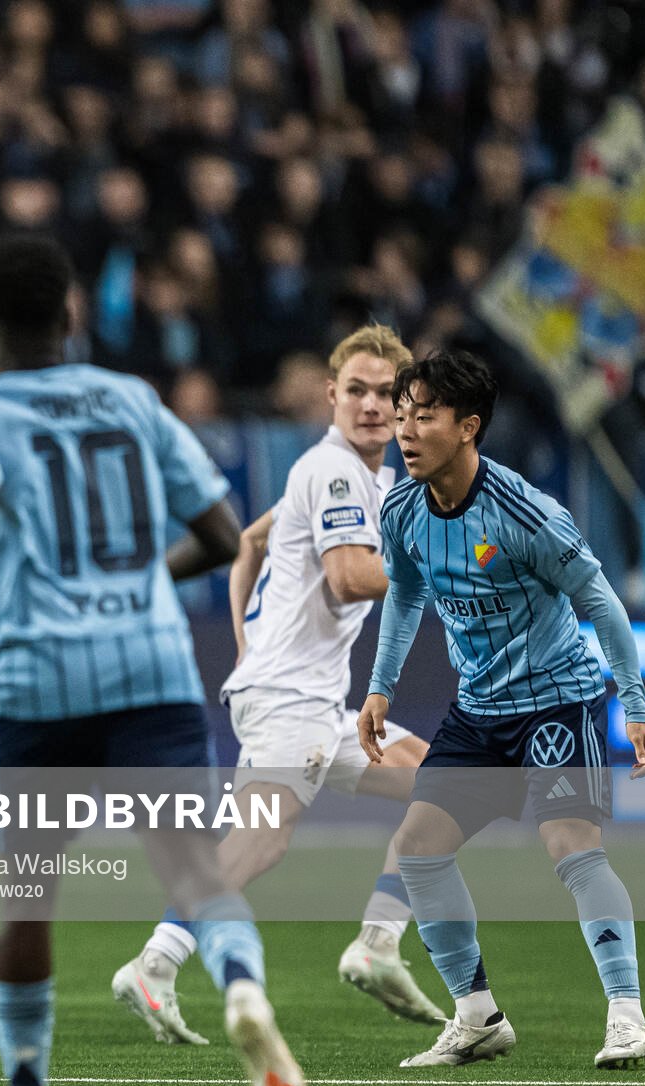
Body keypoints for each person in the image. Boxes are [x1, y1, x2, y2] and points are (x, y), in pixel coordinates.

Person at [0, 233, 308, 1086]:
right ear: (73, 312)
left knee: (26, 896)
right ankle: (242, 990)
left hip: (42, 677)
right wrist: (139, 588)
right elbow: (215, 533)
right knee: (199, 871)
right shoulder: (135, 400)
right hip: (151, 665)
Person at [110, 324, 444, 1046]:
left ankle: (380, 944)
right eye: (356, 390)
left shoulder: (374, 479)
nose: (371, 405)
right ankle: (154, 963)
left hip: (311, 700)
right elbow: (350, 577)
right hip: (291, 699)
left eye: (388, 393)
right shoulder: (332, 470)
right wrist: (452, 572)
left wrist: (245, 645)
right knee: (260, 841)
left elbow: (249, 545)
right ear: (331, 396)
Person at [359, 349, 645, 1070]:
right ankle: (477, 1017)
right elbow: (404, 594)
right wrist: (380, 685)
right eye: (401, 415)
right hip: (478, 707)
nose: (404, 431)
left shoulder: (526, 513)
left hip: (557, 700)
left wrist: (636, 703)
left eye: (423, 415)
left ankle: (627, 1017)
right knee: (421, 847)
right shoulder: (402, 509)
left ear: (468, 427)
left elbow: (600, 603)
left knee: (571, 848)